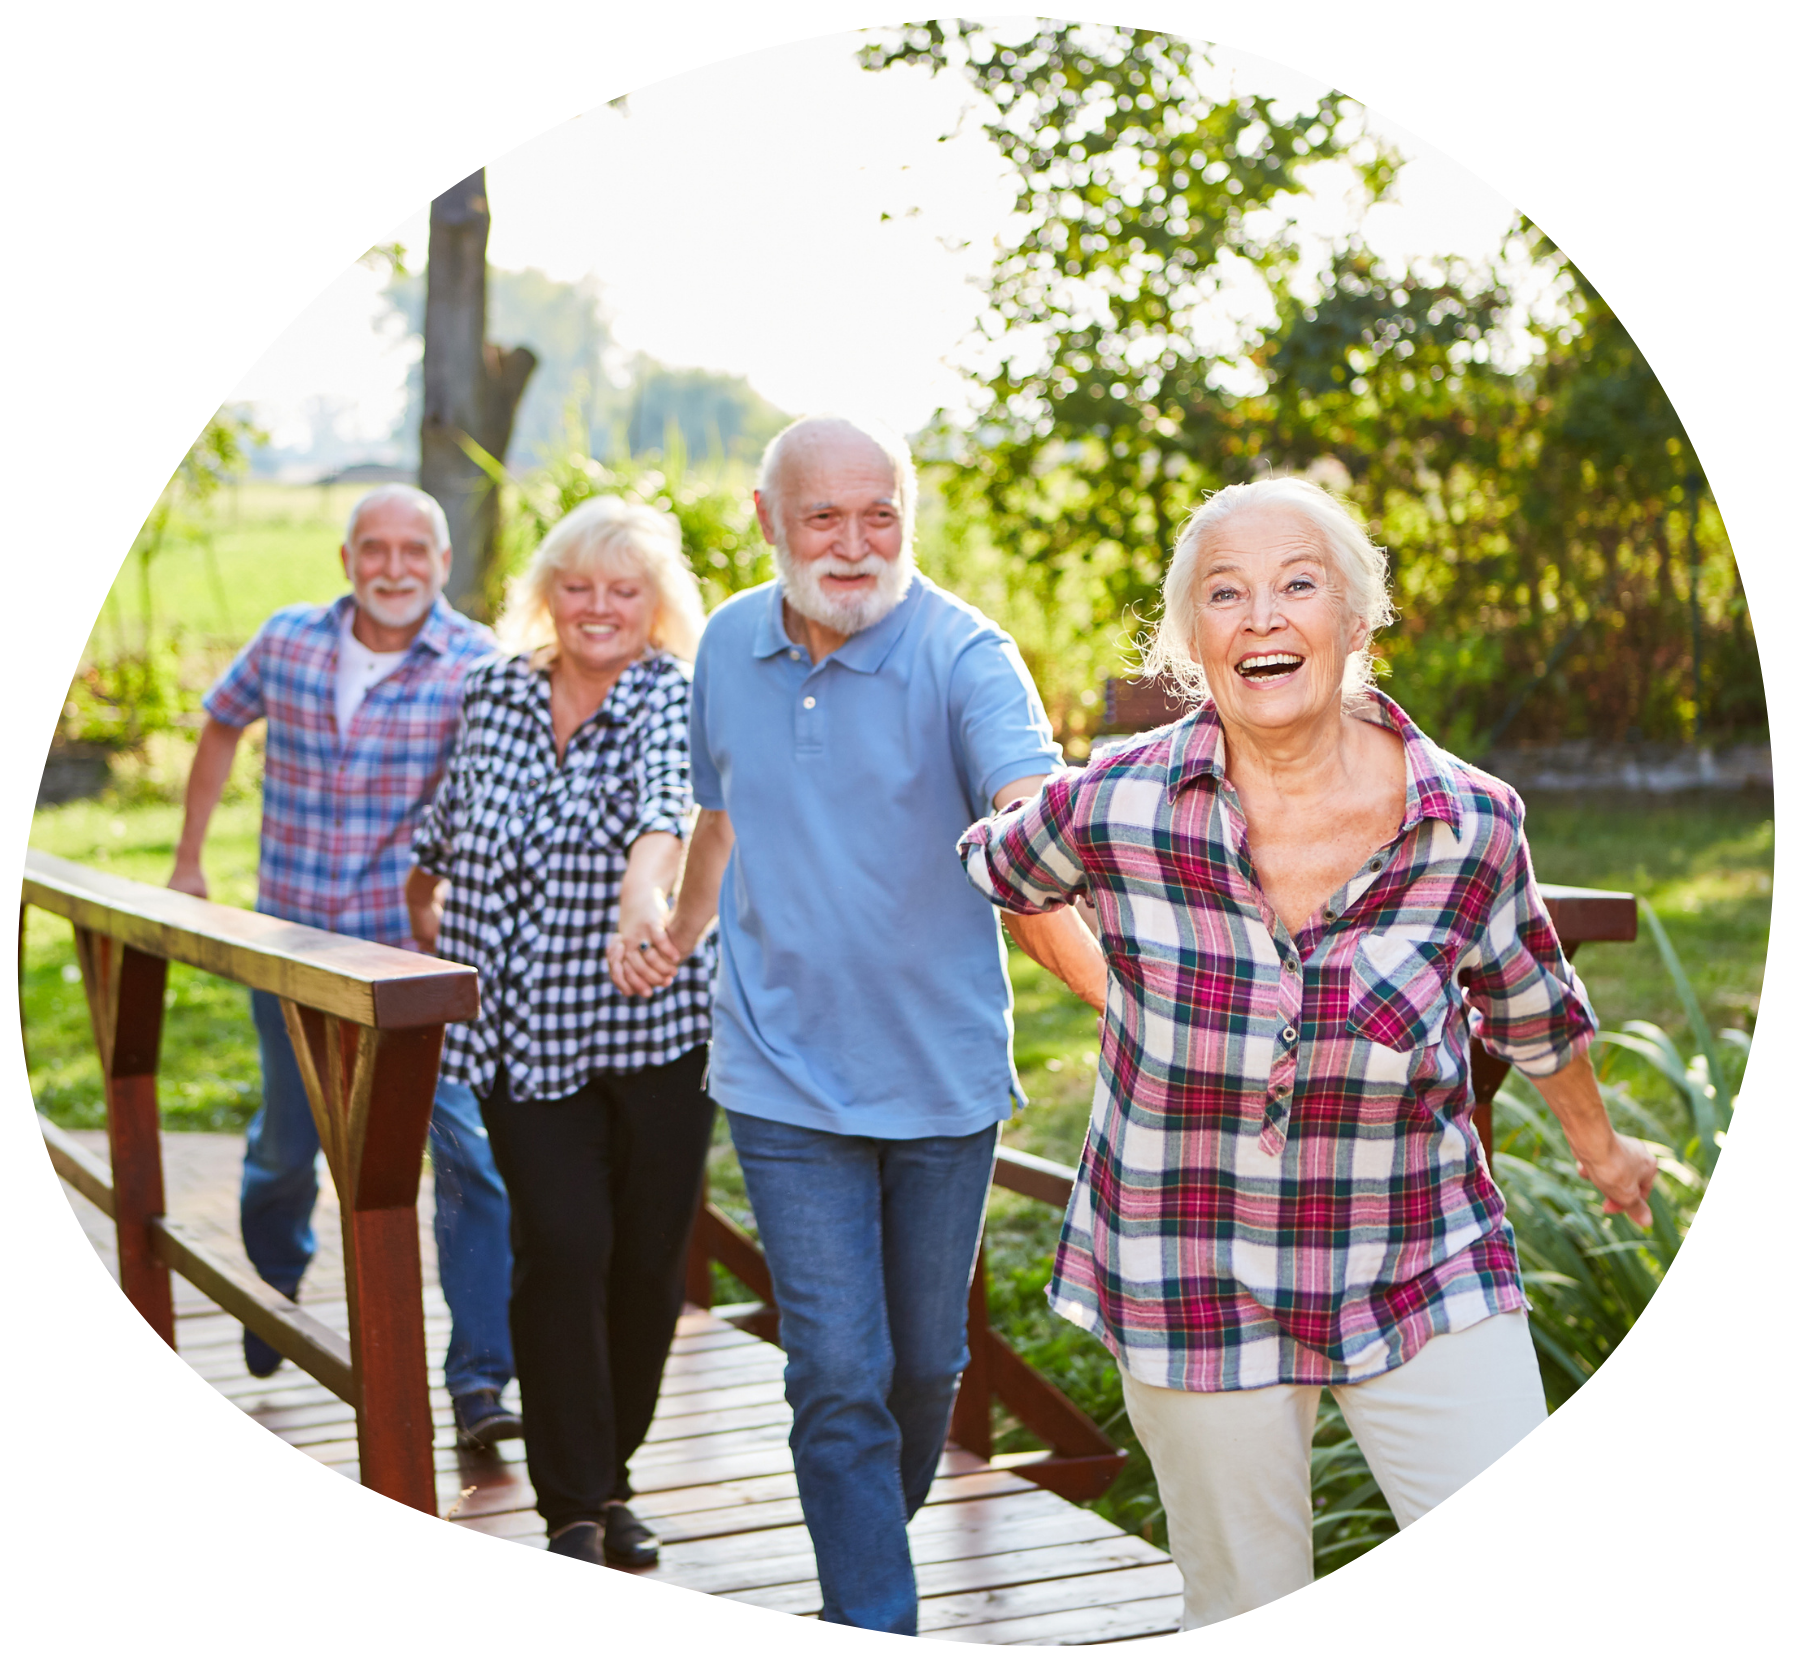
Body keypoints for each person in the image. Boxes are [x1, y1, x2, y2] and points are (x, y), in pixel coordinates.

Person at [957, 476, 1659, 1629]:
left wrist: (1602, 1145)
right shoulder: (1120, 799)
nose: (1263, 616)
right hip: (1190, 1264)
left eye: (1298, 583)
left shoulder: (1469, 822)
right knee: (1243, 1594)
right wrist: (1111, 991)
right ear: (1195, 642)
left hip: (1419, 1252)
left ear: (1358, 619)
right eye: (1225, 595)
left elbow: (1531, 1001)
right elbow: (1005, 867)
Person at [616, 414, 1090, 1633]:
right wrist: (680, 923)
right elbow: (722, 813)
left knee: (922, 1366)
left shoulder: (964, 653)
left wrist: (1058, 853)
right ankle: (874, 1605)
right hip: (780, 1070)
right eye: (823, 516)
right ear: (769, 522)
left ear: (907, 517)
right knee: (836, 1371)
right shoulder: (724, 643)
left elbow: (1028, 799)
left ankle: (867, 1526)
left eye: (878, 512)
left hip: (940, 1075)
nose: (854, 541)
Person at [171, 484, 519, 1445]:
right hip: (288, 949)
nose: (395, 567)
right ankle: (276, 1282)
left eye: (417, 550)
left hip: (414, 964)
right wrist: (191, 857)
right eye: (376, 548)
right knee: (287, 1147)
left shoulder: (479, 662)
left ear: (443, 564)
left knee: (468, 1159)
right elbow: (219, 719)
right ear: (347, 559)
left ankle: (481, 1382)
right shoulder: (287, 638)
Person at [407, 496, 715, 1569]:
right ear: (548, 594)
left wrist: (647, 898)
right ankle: (572, 1504)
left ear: (654, 604)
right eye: (577, 586)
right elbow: (444, 834)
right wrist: (423, 942)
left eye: (622, 589)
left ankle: (613, 1476)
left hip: (657, 1031)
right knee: (563, 1248)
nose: (598, 608)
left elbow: (668, 809)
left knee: (642, 1265)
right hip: (521, 1037)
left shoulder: (675, 693)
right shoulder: (492, 690)